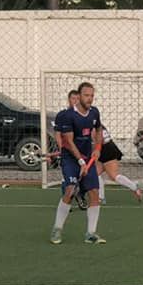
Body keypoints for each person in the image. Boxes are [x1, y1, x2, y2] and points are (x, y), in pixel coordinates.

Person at [50, 81, 105, 244]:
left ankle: (91, 234)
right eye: (87, 95)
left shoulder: (94, 112)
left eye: (92, 96)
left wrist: (97, 147)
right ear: (79, 96)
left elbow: (99, 130)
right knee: (70, 190)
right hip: (71, 159)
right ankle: (57, 229)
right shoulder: (68, 116)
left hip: (88, 157)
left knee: (94, 193)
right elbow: (68, 141)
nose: (90, 99)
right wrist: (81, 162)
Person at [97, 123, 143, 204]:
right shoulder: (91, 119)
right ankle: (100, 197)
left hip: (106, 150)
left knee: (113, 176)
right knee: (95, 174)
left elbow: (96, 140)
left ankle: (135, 187)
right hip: (102, 149)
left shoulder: (90, 121)